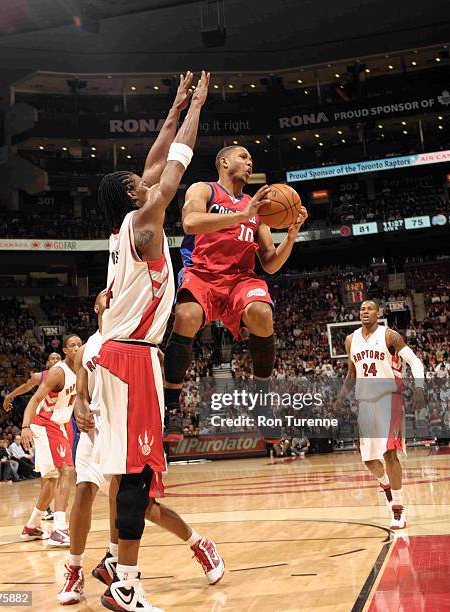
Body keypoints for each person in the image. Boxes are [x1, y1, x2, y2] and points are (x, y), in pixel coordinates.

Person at [95, 71, 218, 611]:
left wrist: (174, 105)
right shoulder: (146, 219)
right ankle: (127, 583)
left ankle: (116, 566)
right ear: (132, 194)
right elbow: (175, 165)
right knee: (138, 479)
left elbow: (155, 160)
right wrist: (199, 109)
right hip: (134, 359)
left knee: (129, 477)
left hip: (115, 358)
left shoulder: (130, 223)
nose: (150, 183)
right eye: (140, 183)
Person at [59, 291, 224, 604]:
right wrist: (79, 403)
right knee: (82, 492)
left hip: (128, 432)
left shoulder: (136, 337)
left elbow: (157, 372)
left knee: (141, 506)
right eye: (105, 296)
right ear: (96, 307)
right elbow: (81, 389)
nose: (112, 297)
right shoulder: (88, 348)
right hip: (95, 432)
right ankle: (76, 568)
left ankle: (198, 543)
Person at [163, 145, 308, 442]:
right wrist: (242, 215)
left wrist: (290, 237)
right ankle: (173, 406)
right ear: (224, 162)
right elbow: (190, 222)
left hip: (240, 280)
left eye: (251, 159)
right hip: (202, 273)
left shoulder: (258, 211)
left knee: (262, 312)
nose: (249, 161)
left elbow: (269, 264)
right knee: (186, 315)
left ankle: (262, 405)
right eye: (243, 157)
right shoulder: (205, 190)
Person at [337, 300, 425, 530]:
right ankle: (386, 487)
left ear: (378, 313)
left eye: (370, 308)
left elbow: (415, 362)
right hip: (365, 402)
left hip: (389, 398)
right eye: (362, 309)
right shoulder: (351, 340)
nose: (365, 311)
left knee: (389, 454)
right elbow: (352, 372)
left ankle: (398, 510)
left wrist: (419, 389)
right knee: (369, 462)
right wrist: (340, 396)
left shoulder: (390, 336)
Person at [20, 335, 81, 546]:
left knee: (51, 480)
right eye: (72, 345)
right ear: (65, 350)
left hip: (60, 424)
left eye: (80, 345)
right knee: (67, 471)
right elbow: (35, 398)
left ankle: (31, 527)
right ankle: (59, 529)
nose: (77, 348)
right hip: (46, 424)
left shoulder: (81, 370)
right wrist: (25, 426)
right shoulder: (58, 372)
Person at [3, 353, 62, 519]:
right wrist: (9, 396)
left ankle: (50, 509)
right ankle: (47, 510)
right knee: (49, 470)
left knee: (60, 471)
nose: (56, 361)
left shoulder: (68, 374)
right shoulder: (41, 376)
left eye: (58, 358)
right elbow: (26, 387)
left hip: (61, 423)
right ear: (47, 363)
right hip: (43, 425)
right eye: (52, 359)